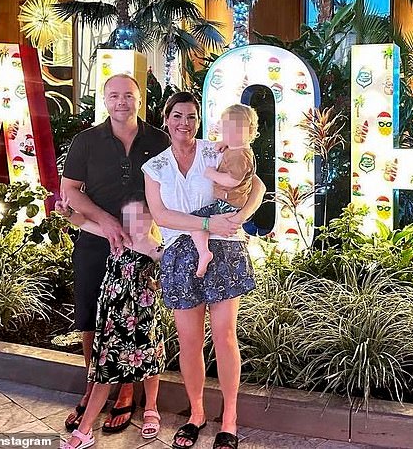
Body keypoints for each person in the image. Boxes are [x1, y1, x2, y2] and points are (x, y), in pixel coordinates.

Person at [143, 92, 265, 449]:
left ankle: (230, 418)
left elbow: (255, 183)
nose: (185, 123)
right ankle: (196, 413)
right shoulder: (155, 167)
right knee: (190, 340)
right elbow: (162, 217)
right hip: (181, 254)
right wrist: (209, 223)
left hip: (225, 250)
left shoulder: (216, 151)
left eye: (192, 117)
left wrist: (242, 215)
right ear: (165, 119)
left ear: (199, 121)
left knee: (225, 335)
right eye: (177, 116)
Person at [61, 74, 169, 433]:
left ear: (140, 99)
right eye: (113, 95)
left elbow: (172, 188)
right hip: (96, 241)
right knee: (90, 318)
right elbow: (71, 192)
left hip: (141, 246)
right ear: (104, 100)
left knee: (135, 320)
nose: (121, 101)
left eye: (128, 95)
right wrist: (105, 222)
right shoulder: (86, 141)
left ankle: (125, 390)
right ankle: (93, 384)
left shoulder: (159, 140)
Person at [57, 192, 165, 448]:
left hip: (142, 315)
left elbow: (172, 267)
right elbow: (85, 223)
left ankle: (152, 407)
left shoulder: (154, 247)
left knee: (150, 356)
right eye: (130, 217)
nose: (135, 222)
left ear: (152, 220)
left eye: (142, 216)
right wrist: (68, 213)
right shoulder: (117, 237)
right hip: (113, 315)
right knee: (105, 367)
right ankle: (85, 431)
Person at [190, 104, 258, 278]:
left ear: (250, 132)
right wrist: (224, 143)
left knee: (196, 221)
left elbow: (233, 180)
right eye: (227, 128)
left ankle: (204, 252)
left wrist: (212, 173)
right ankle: (204, 251)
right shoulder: (235, 149)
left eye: (237, 129)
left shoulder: (241, 155)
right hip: (227, 201)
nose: (230, 133)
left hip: (229, 203)